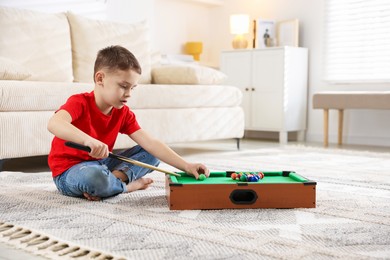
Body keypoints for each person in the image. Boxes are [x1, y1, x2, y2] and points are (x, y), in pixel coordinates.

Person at [47, 45, 209, 201]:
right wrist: (87, 140)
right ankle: (127, 186)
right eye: (124, 86)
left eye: (132, 88)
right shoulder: (79, 102)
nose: (129, 94)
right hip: (69, 171)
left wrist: (187, 166)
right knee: (94, 177)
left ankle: (112, 182)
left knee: (151, 153)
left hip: (102, 164)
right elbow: (55, 123)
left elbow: (150, 143)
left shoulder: (122, 112)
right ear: (100, 78)